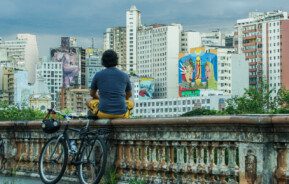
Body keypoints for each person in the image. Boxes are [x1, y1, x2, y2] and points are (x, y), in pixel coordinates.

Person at [86, 50, 134, 118]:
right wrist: (123, 100)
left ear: (103, 61)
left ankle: (95, 114)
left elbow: (92, 94)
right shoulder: (125, 75)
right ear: (116, 61)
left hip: (103, 113)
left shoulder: (98, 75)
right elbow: (129, 95)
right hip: (121, 114)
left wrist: (100, 99)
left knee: (88, 100)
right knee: (131, 101)